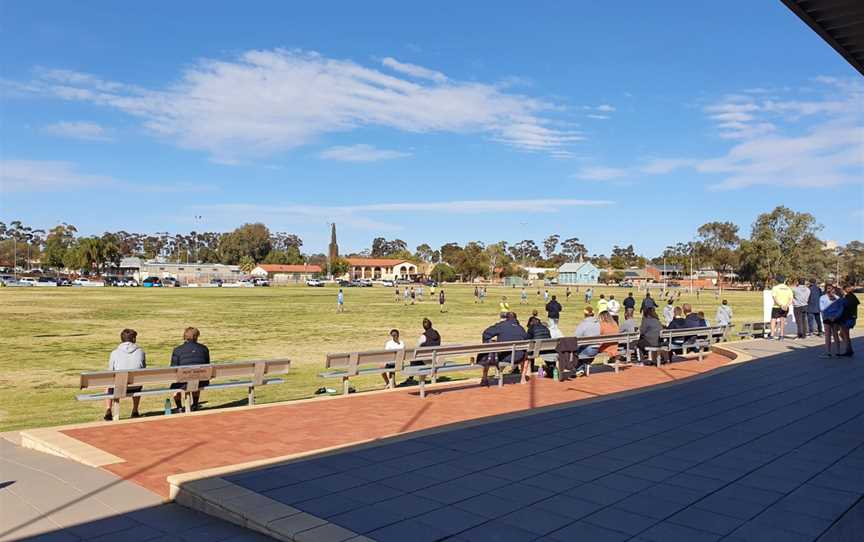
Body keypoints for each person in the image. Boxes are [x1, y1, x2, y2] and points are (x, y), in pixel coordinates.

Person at [105, 328, 146, 421]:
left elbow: (110, 371)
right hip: (135, 386)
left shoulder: (114, 353)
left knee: (109, 385)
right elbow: (143, 368)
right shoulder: (141, 352)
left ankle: (108, 409)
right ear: (134, 339)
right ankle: (135, 410)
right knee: (139, 382)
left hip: (119, 387)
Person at [479, 312, 527, 386]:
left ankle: (484, 377)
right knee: (525, 355)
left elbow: (486, 333)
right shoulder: (521, 328)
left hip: (505, 357)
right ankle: (523, 378)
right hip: (519, 357)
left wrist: (487, 342)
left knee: (488, 352)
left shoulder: (502, 325)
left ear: (506, 318)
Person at [171, 327, 210, 411]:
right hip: (201, 381)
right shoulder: (204, 349)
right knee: (196, 377)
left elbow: (173, 368)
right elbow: (207, 365)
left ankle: (179, 407)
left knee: (176, 383)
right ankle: (195, 404)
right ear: (196, 337)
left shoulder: (177, 350)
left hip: (183, 381)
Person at [525, 316, 552, 382]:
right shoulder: (545, 328)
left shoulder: (531, 328)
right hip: (547, 349)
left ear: (531, 322)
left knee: (530, 349)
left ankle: (531, 368)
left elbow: (527, 339)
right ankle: (550, 367)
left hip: (536, 350)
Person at [820, 285, 845, 357]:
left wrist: (831, 316)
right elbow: (840, 309)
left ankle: (829, 352)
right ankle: (837, 352)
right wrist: (835, 316)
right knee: (834, 335)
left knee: (829, 335)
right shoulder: (837, 298)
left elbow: (822, 309)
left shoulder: (823, 297)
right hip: (833, 318)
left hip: (829, 318)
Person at [838, 284, 859, 357]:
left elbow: (845, 308)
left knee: (845, 335)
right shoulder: (853, 297)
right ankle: (849, 349)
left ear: (845, 290)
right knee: (843, 334)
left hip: (847, 319)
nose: (842, 292)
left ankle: (849, 350)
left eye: (842, 290)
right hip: (851, 317)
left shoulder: (847, 298)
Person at [770, 276, 794, 340]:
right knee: (782, 320)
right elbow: (791, 299)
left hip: (776, 306)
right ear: (784, 281)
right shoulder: (788, 288)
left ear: (777, 281)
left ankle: (772, 335)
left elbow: (774, 298)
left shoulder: (775, 288)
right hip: (785, 307)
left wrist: (780, 305)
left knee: (773, 320)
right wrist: (786, 305)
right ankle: (781, 335)